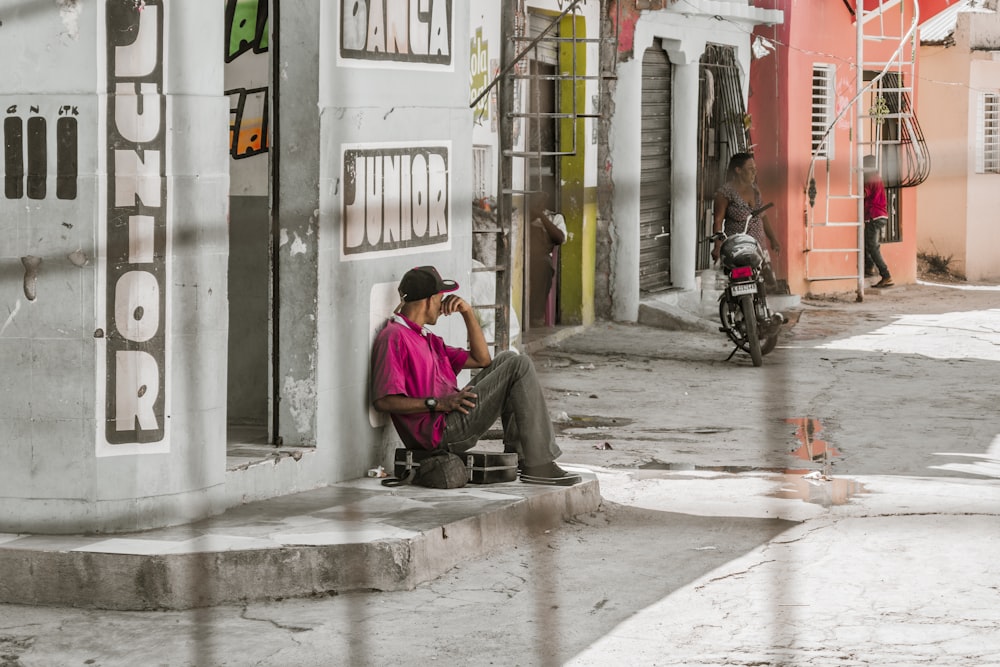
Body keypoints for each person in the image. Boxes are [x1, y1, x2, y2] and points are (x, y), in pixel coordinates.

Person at [371, 266, 581, 486]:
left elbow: (482, 360)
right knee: (520, 365)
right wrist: (439, 403)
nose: (443, 304)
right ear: (428, 300)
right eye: (440, 298)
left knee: (508, 358)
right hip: (439, 432)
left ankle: (524, 458)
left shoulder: (425, 337)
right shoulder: (395, 336)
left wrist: (467, 312)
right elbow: (384, 401)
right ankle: (540, 465)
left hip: (451, 414)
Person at [711, 153, 781, 274]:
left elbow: (763, 216)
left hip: (758, 249)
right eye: (750, 169)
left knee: (763, 286)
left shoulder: (755, 190)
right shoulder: (725, 193)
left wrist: (773, 239)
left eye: (755, 169)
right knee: (741, 283)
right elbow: (717, 221)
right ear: (738, 170)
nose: (754, 172)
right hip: (737, 252)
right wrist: (717, 246)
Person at [527, 191, 567, 327]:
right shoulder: (522, 215)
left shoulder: (555, 217)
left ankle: (535, 315)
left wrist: (542, 216)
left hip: (540, 257)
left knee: (544, 268)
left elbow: (560, 239)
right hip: (523, 256)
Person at [863, 155, 893, 288]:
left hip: (874, 215)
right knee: (866, 242)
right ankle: (869, 267)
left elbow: (864, 193)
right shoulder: (877, 177)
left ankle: (886, 275)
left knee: (873, 247)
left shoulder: (870, 179)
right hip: (880, 215)